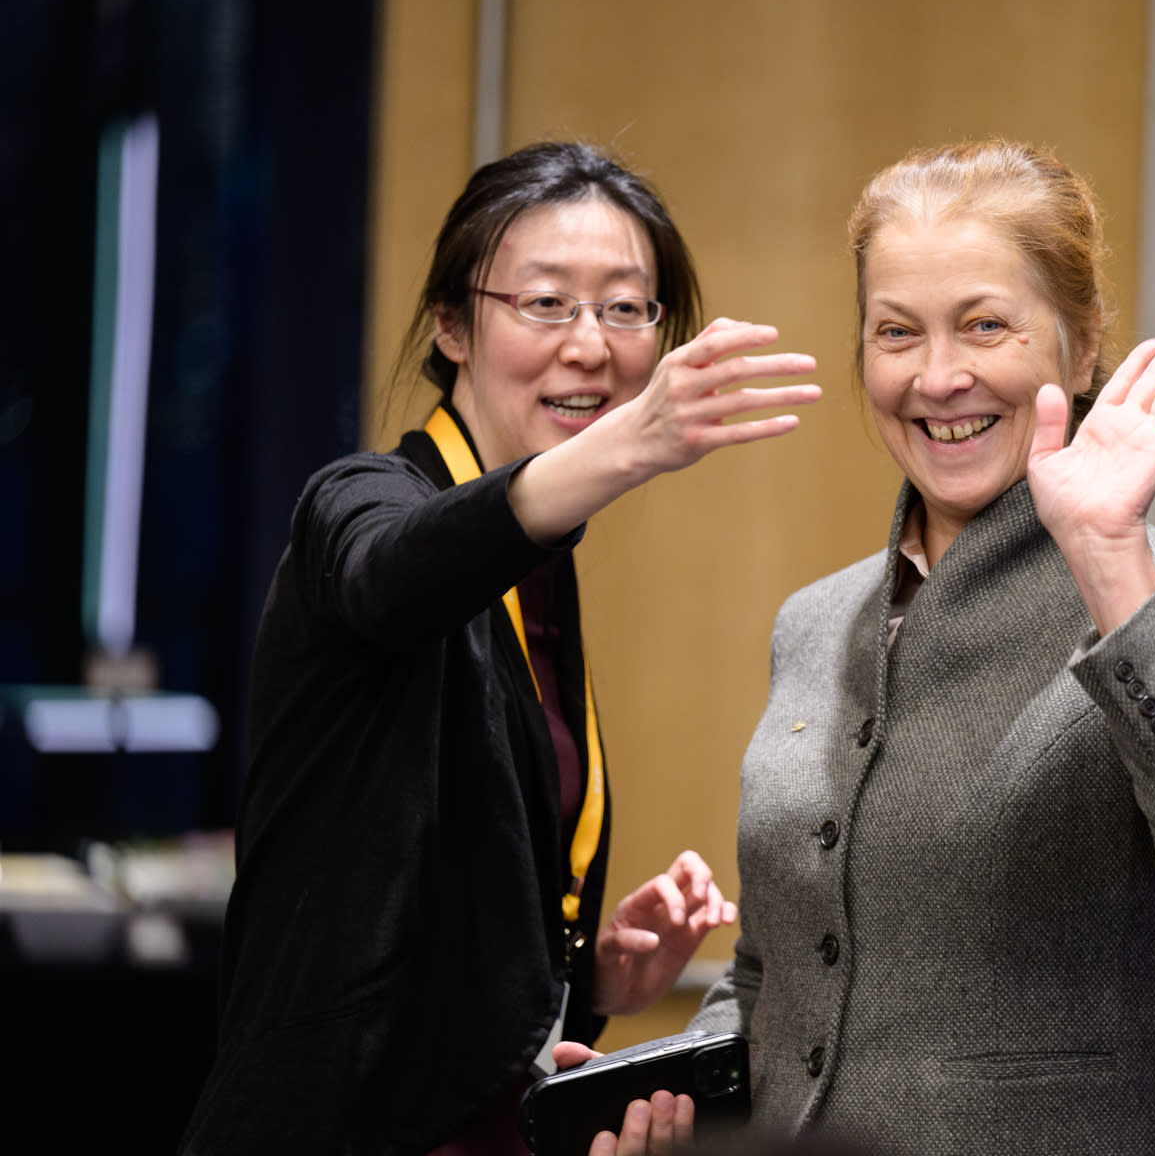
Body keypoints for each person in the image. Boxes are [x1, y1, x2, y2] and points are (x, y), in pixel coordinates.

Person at [683, 139, 1155, 1154]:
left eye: (985, 325)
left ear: (1079, 349)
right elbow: (780, 970)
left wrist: (1113, 564)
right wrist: (681, 1089)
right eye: (897, 332)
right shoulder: (815, 621)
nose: (939, 377)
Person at [181, 141, 821, 1155]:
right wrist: (626, 448)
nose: (591, 347)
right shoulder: (364, 500)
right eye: (546, 304)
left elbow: (436, 926)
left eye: (625, 308)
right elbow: (392, 575)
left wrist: (591, 978)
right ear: (451, 324)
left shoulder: (538, 567)